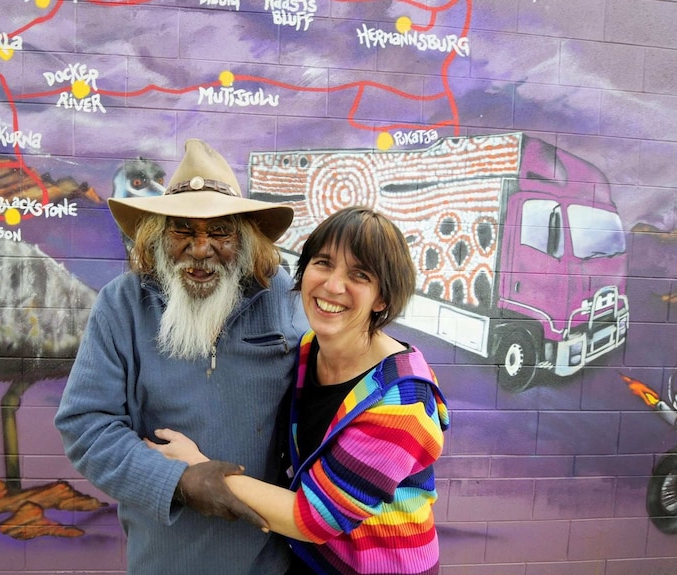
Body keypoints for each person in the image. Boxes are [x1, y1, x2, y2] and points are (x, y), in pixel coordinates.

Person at [148, 206, 451, 575]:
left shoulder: (403, 402)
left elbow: (316, 519)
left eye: (359, 274)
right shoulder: (307, 352)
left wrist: (201, 471)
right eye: (323, 263)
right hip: (311, 562)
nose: (333, 285)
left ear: (382, 299)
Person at [54, 139, 308, 574]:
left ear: (245, 237)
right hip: (163, 560)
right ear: (157, 235)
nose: (200, 248)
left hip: (267, 561)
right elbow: (86, 425)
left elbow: (334, 383)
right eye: (183, 231)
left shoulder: (282, 296)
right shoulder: (123, 305)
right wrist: (181, 481)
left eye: (220, 232)